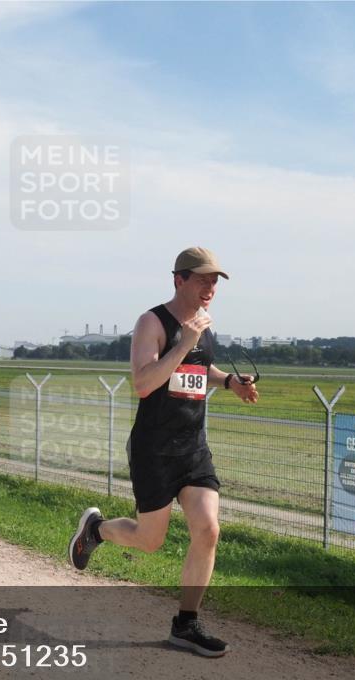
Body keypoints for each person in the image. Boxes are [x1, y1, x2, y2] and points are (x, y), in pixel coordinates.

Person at [68, 247, 259, 657]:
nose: (211, 287)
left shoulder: (203, 326)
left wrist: (231, 383)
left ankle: (185, 625)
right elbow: (143, 382)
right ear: (179, 280)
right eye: (204, 279)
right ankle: (96, 530)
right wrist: (185, 340)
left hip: (193, 447)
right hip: (154, 449)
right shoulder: (151, 322)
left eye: (215, 281)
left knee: (208, 530)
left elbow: (199, 368)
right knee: (150, 540)